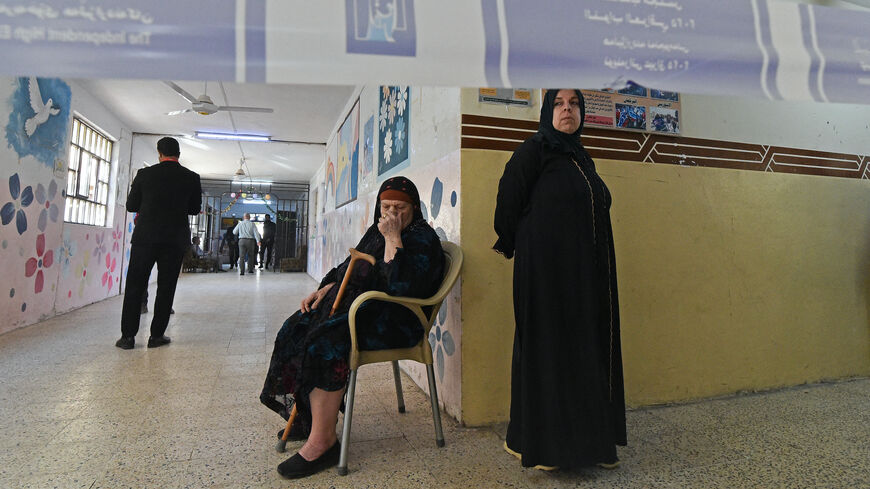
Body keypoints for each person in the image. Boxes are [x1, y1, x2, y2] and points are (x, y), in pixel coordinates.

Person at [260, 177, 445, 479]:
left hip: (398, 321)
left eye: (400, 207)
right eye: (386, 207)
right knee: (298, 325)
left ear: (414, 207)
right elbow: (351, 265)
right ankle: (310, 418)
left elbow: (401, 287)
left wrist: (393, 239)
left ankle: (324, 442)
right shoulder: (376, 229)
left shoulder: (422, 237)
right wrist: (327, 286)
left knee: (326, 341)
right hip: (369, 312)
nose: (392, 214)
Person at [493, 89, 626, 470]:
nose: (567, 109)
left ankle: (592, 445)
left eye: (574, 104)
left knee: (585, 354)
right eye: (558, 103)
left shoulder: (582, 159)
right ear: (547, 111)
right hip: (546, 280)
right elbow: (506, 213)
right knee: (548, 355)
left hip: (585, 280)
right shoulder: (533, 152)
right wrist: (538, 248)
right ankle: (546, 450)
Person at [116, 137, 201, 349]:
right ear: (178, 154)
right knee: (166, 287)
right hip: (174, 240)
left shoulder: (145, 175)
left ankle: (127, 337)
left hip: (145, 238)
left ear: (159, 153)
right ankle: (156, 337)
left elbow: (131, 205)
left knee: (135, 285)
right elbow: (193, 209)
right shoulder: (191, 177)